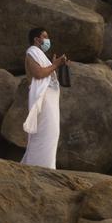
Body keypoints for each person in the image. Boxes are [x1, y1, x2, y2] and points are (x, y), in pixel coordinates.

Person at [21, 27, 69, 169]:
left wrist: (55, 65)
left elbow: (48, 73)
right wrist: (55, 64)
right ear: (37, 39)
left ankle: (47, 167)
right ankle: (37, 167)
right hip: (42, 100)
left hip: (50, 101)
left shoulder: (41, 55)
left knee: (52, 133)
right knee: (43, 133)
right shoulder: (31, 52)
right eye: (45, 36)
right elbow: (38, 74)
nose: (47, 40)